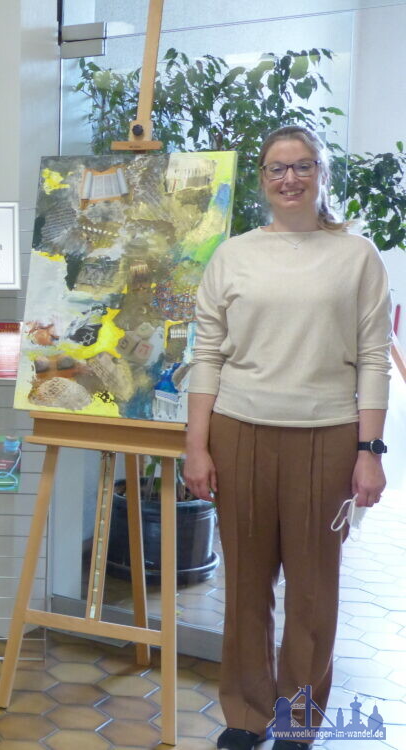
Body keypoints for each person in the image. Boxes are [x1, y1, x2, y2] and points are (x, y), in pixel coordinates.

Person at [184, 125, 392, 750]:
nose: (290, 178)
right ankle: (246, 718)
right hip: (237, 432)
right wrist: (197, 445)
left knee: (312, 592)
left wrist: (370, 452)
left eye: (302, 166)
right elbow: (209, 355)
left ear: (322, 174)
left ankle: (298, 721)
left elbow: (375, 358)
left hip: (326, 439)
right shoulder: (235, 255)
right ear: (263, 181)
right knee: (245, 586)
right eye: (277, 168)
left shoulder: (357, 256)